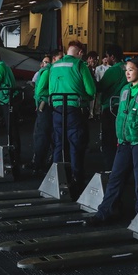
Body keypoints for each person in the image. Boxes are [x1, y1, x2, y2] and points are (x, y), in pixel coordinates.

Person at [88, 58, 138, 224]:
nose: (127, 73)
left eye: (131, 70)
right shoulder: (125, 90)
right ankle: (104, 212)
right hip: (124, 143)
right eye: (126, 70)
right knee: (116, 178)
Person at [47, 41, 96, 194]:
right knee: (75, 146)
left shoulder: (54, 66)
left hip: (56, 109)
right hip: (74, 110)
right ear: (80, 53)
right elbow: (91, 90)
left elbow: (49, 89)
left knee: (59, 145)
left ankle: (56, 180)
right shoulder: (80, 65)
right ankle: (77, 182)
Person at [94, 45, 128, 170]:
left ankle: (111, 168)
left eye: (107, 56)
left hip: (111, 107)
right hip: (125, 107)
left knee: (109, 140)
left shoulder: (113, 70)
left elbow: (100, 87)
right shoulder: (127, 68)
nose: (106, 59)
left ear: (112, 57)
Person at [29, 51, 62, 175]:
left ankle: (39, 162)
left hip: (45, 105)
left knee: (42, 134)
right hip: (48, 105)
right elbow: (41, 89)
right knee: (46, 134)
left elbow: (39, 90)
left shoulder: (49, 71)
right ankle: (42, 161)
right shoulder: (50, 71)